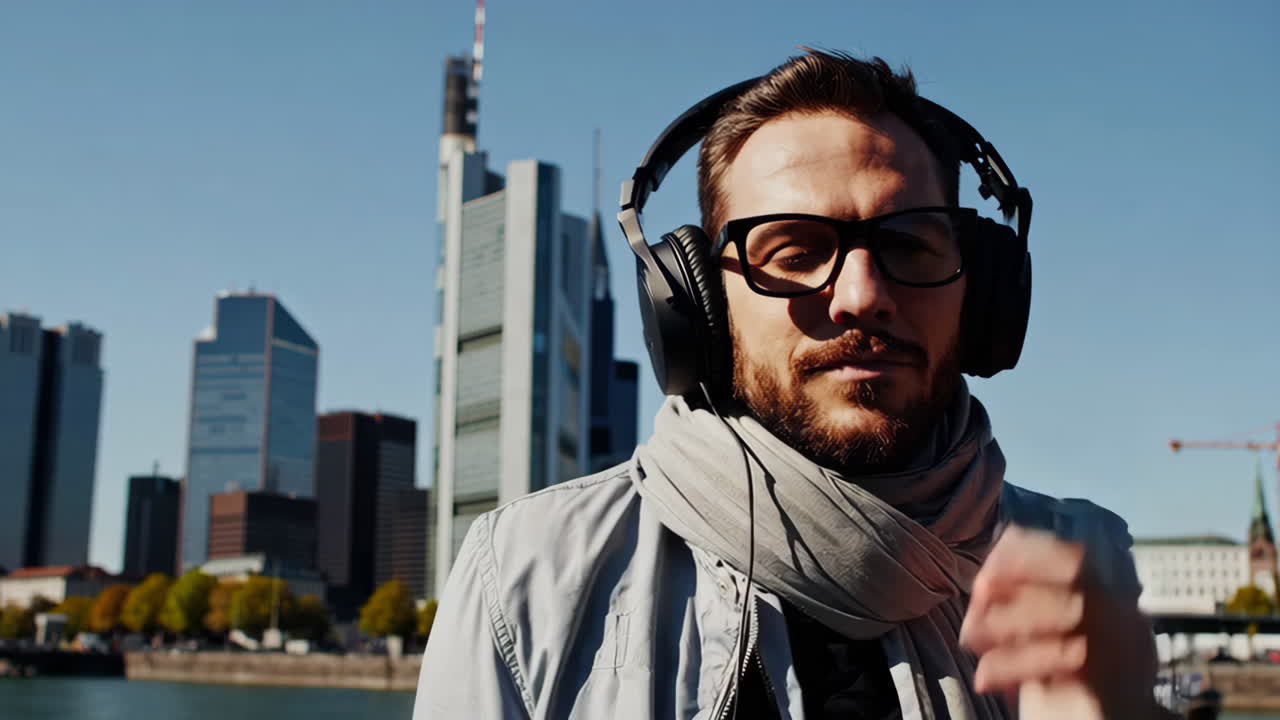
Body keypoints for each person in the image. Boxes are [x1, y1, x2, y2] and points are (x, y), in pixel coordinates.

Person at [414, 49, 1173, 719]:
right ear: (698, 303)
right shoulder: (526, 575)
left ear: (982, 293)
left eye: (910, 243)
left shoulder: (1087, 563)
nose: (861, 294)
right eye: (795, 249)